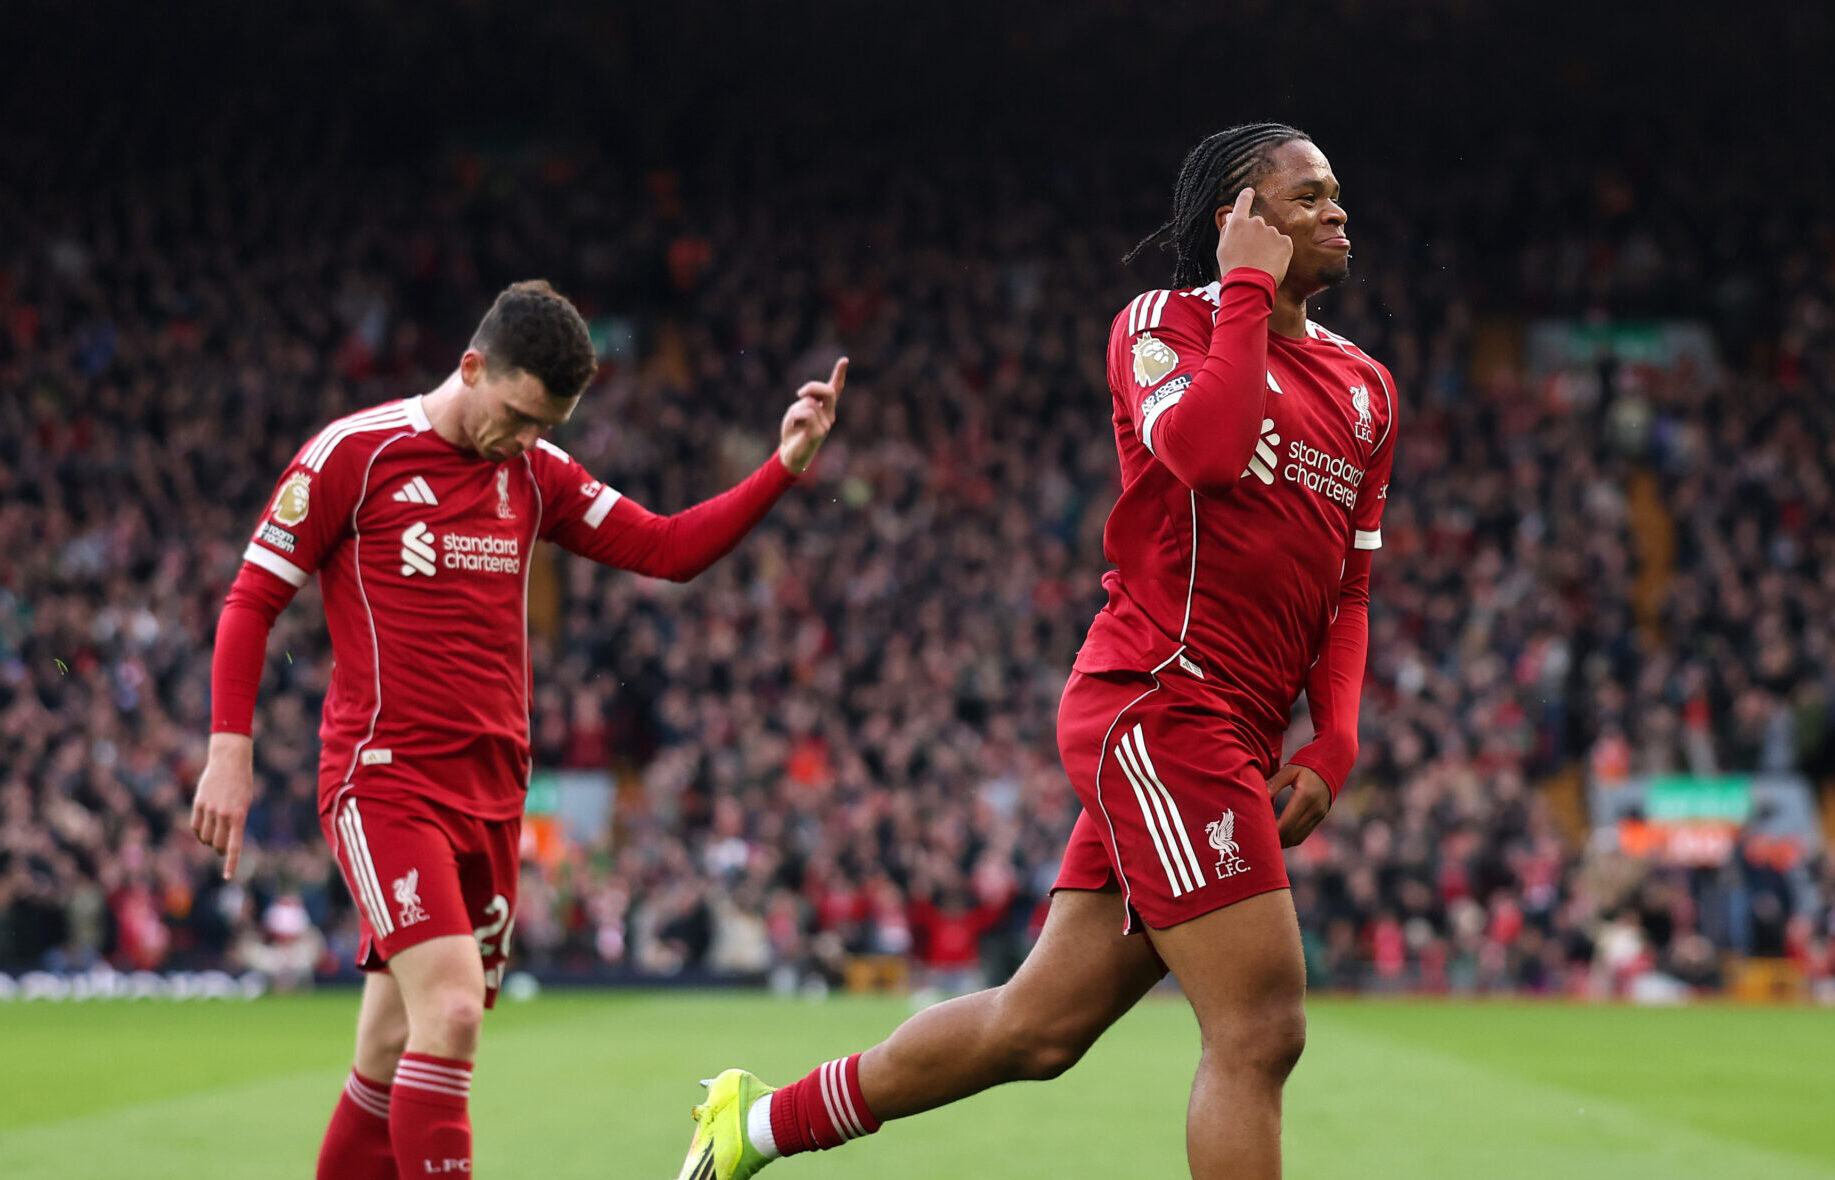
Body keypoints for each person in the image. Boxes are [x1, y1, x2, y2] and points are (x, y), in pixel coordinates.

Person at [674, 122, 1395, 1180]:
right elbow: (1205, 451)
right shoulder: (1162, 323)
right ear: (1237, 221)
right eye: (1306, 195)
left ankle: (759, 1124)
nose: (1337, 209)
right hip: (1161, 705)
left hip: (1236, 731)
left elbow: (1353, 585)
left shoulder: (1368, 387)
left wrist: (1334, 738)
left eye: (1337, 191)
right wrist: (1244, 291)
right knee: (1259, 1028)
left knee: (1037, 1028)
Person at [190, 279, 846, 1180]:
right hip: (384, 780)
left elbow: (668, 550)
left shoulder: (536, 474)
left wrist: (783, 467)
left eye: (547, 425)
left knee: (387, 1048)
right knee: (452, 1013)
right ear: (471, 367)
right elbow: (251, 599)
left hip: (492, 797)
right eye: (518, 415)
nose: (527, 439)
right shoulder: (356, 454)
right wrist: (231, 750)